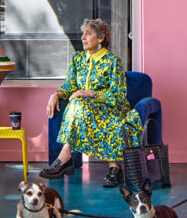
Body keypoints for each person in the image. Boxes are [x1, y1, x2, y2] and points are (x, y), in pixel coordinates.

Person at [40, 18, 143, 187]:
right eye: (83, 33)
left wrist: (88, 93)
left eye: (88, 33)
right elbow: (70, 85)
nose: (82, 37)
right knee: (77, 104)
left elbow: (118, 95)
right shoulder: (77, 59)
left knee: (81, 105)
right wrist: (56, 94)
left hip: (110, 108)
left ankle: (65, 158)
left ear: (101, 38)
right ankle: (113, 168)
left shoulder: (112, 62)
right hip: (84, 111)